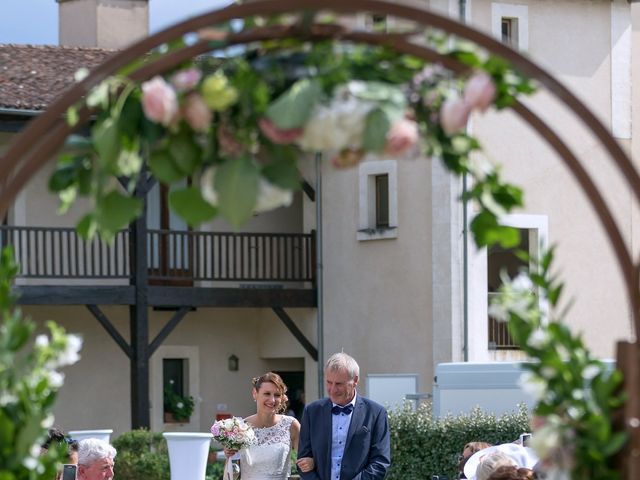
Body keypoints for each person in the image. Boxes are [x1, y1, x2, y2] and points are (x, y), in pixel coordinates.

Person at [298, 352, 391, 480]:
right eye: (329, 382)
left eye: (339, 384)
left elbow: (380, 463)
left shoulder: (376, 413)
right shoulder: (311, 412)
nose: (333, 389)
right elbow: (303, 461)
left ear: (355, 381)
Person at [223, 372, 314, 479]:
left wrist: (311, 462)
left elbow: (307, 460)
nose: (272, 400)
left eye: (277, 395)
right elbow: (231, 474)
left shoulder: (291, 425)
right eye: (267, 394)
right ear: (255, 393)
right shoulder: (240, 428)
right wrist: (230, 455)